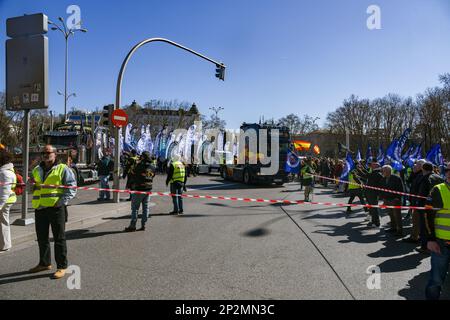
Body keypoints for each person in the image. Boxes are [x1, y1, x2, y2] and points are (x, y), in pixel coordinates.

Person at [28, 145, 77, 279]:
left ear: (55, 154)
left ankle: (62, 266)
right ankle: (44, 263)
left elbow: (72, 188)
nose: (45, 154)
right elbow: (31, 188)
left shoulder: (63, 169)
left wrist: (60, 202)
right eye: (43, 152)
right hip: (40, 208)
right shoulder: (37, 169)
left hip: (56, 209)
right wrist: (30, 184)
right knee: (42, 238)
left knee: (59, 238)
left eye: (48, 152)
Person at [424, 162, 450, 300]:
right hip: (441, 243)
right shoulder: (437, 190)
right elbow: (428, 216)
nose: (449, 172)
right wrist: (430, 239)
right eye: (447, 170)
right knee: (436, 280)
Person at [415, 162, 445, 253]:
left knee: (425, 227)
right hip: (438, 206)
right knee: (435, 226)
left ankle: (425, 247)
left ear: (423, 169)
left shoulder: (426, 179)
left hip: (426, 207)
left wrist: (418, 205)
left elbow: (422, 194)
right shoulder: (439, 177)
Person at [124, 151, 155, 232]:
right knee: (146, 208)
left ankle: (132, 226)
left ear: (143, 157)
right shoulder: (152, 167)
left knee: (135, 208)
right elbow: (153, 176)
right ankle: (143, 225)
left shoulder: (139, 166)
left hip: (139, 189)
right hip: (148, 189)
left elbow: (133, 174)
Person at [403, 160, 425, 244]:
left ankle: (415, 237)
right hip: (413, 200)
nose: (415, 166)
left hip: (418, 202)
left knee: (417, 220)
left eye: (418, 164)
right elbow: (409, 181)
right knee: (414, 219)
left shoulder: (422, 175)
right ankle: (415, 235)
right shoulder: (416, 174)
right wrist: (413, 172)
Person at [380, 165, 405, 237]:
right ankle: (393, 227)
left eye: (383, 171)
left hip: (395, 200)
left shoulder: (396, 178)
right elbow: (381, 189)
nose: (382, 172)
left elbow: (401, 189)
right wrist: (383, 198)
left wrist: (397, 198)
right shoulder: (383, 179)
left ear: (388, 171)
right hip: (387, 200)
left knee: (397, 216)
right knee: (390, 214)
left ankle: (399, 231)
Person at [0, 151, 17, 252]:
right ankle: (4, 244)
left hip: (4, 202)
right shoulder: (8, 170)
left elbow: (4, 193)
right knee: (3, 223)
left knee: (3, 223)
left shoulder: (4, 173)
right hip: (7, 200)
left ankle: (5, 245)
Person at [363, 160, 383, 228]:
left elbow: (367, 176)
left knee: (374, 208)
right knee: (372, 208)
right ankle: (373, 221)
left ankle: (376, 223)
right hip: (370, 193)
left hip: (373, 193)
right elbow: (367, 176)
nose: (371, 165)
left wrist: (360, 170)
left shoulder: (377, 173)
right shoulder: (374, 172)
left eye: (373, 164)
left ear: (377, 166)